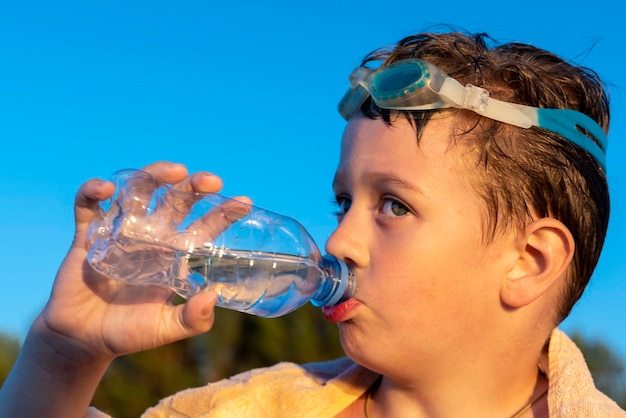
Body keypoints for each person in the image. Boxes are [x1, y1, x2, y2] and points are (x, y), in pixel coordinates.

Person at [0, 30, 624, 417]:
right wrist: (63, 357)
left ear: (530, 261)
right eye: (342, 202)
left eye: (394, 206)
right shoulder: (241, 409)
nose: (338, 241)